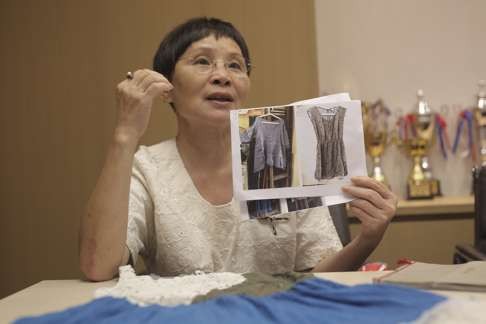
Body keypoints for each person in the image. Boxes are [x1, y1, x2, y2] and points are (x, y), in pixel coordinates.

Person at [79, 17, 397, 281]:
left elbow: (319, 278)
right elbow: (98, 267)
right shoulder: (148, 167)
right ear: (167, 89)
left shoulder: (284, 150)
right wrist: (125, 133)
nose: (222, 76)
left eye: (236, 66)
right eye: (202, 62)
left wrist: (367, 239)